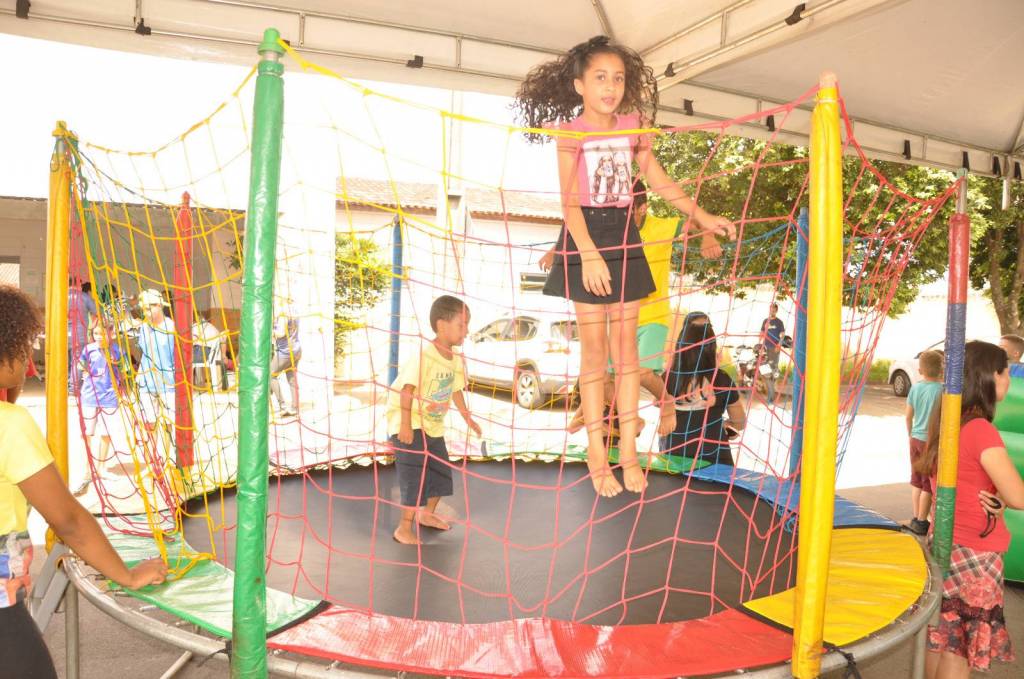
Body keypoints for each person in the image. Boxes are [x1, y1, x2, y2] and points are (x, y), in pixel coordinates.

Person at [514, 34, 735, 496]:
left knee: (627, 355)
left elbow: (659, 180)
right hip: (585, 234)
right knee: (595, 353)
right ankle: (598, 455)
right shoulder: (570, 132)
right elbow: (569, 202)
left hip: (623, 233)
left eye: (617, 78)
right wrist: (588, 254)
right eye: (600, 77)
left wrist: (702, 216)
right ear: (580, 85)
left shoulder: (635, 126)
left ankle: (629, 454)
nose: (610, 86)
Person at [0, 284, 166, 678]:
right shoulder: (10, 425)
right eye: (22, 348)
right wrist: (126, 574)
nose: (28, 361)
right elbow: (68, 520)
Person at [542, 181, 723, 440]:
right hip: (620, 316)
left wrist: (708, 236)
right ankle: (622, 419)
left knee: (641, 372)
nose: (621, 220)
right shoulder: (614, 232)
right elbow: (577, 229)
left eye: (627, 214)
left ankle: (667, 403)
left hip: (653, 316)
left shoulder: (661, 227)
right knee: (603, 376)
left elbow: (696, 222)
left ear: (642, 208)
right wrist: (555, 251)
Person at [914, 341, 1024, 677]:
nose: (1009, 380)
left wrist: (997, 495)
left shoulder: (950, 420)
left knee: (941, 636)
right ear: (991, 376)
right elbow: (1019, 496)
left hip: (945, 542)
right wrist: (1006, 494)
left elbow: (967, 481)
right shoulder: (980, 429)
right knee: (958, 649)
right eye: (1005, 372)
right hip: (975, 552)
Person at [386, 295, 481, 545]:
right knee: (414, 475)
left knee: (440, 471)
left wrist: (468, 418)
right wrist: (405, 426)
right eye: (462, 324)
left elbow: (456, 389)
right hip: (408, 420)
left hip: (432, 424)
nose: (466, 330)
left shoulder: (456, 358)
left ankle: (426, 515)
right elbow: (406, 391)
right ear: (441, 325)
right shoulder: (424, 357)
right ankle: (403, 528)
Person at [662, 312, 746, 466]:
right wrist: (725, 425)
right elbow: (740, 422)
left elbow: (658, 404)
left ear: (682, 341)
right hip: (714, 459)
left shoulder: (667, 378)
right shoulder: (721, 379)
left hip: (674, 458)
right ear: (712, 343)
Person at [904, 350, 943, 536]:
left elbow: (908, 416)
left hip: (915, 438)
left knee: (917, 479)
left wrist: (910, 435)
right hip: (931, 441)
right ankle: (921, 520)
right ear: (941, 371)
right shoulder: (942, 391)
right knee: (928, 482)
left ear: (920, 370)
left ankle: (915, 516)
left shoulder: (915, 388)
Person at [79, 324, 124, 477]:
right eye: (95, 333)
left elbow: (124, 369)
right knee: (87, 433)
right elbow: (80, 363)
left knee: (106, 432)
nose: (98, 337)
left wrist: (116, 364)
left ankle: (101, 468)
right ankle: (87, 468)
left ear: (111, 334)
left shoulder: (117, 350)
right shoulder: (89, 349)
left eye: (102, 334)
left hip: (109, 396)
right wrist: (85, 372)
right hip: (90, 396)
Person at [134, 288, 176, 442]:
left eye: (150, 307)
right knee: (149, 423)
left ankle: (168, 454)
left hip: (168, 382)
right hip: (147, 382)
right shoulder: (144, 327)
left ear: (160, 306)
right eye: (144, 308)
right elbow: (144, 353)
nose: (146, 312)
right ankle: (154, 455)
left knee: (168, 423)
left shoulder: (172, 328)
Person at [68, 279, 98, 393]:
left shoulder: (59, 296)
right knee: (77, 361)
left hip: (61, 334)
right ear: (79, 285)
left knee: (63, 361)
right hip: (79, 334)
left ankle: (61, 386)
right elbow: (97, 312)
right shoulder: (84, 297)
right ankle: (74, 388)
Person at [270, 306, 301, 417]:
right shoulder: (295, 311)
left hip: (286, 352)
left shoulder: (283, 314)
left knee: (270, 375)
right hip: (296, 349)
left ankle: (282, 406)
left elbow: (281, 333)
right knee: (292, 379)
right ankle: (295, 408)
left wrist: (271, 331)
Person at [759, 302, 785, 404]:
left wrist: (779, 345)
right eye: (771, 309)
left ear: (776, 311)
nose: (772, 311)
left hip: (774, 349)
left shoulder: (779, 322)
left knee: (773, 372)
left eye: (774, 309)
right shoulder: (765, 321)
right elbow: (761, 334)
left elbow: (782, 335)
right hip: (765, 349)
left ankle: (771, 396)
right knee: (765, 372)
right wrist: (760, 345)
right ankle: (770, 396)